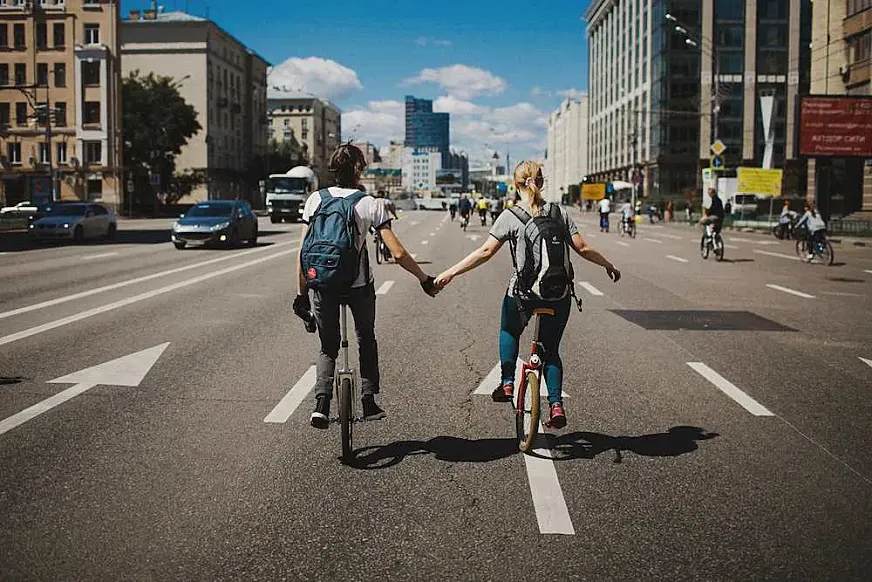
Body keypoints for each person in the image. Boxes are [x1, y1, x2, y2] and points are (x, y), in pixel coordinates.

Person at [434, 161, 620, 429]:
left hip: (523, 294)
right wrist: (608, 265)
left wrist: (451, 272)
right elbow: (582, 247)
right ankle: (556, 405)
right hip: (559, 294)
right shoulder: (559, 213)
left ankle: (508, 382)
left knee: (509, 331)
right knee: (551, 351)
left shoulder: (510, 216)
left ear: (515, 184)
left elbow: (485, 252)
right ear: (542, 182)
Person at [294, 144, 438, 429]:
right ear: (359, 169)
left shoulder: (315, 200)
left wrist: (301, 295)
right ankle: (369, 401)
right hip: (358, 286)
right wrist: (424, 279)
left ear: (333, 170)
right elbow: (396, 253)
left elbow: (302, 253)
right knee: (366, 338)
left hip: (322, 285)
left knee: (327, 346)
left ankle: (321, 404)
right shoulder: (370, 204)